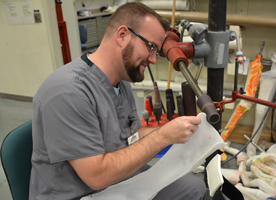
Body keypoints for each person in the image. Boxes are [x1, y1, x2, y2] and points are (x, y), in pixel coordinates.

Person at [29, 2, 207, 200]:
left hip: (118, 183)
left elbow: (129, 136)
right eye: (151, 47)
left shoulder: (120, 82)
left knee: (194, 188)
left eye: (156, 52)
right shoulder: (67, 91)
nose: (154, 59)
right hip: (84, 193)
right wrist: (163, 136)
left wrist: (177, 131)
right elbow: (96, 176)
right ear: (122, 35)